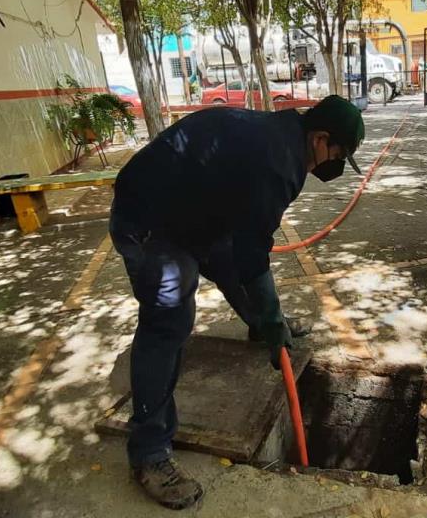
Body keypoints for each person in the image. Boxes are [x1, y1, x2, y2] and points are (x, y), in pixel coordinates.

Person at [109, 95, 365, 509]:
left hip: (194, 213)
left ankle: (263, 326)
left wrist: (270, 319)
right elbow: (253, 256)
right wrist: (273, 315)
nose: (335, 164)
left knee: (227, 262)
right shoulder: (277, 163)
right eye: (338, 153)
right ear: (320, 138)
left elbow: (244, 243)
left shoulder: (286, 139)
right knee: (169, 320)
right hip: (149, 218)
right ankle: (150, 454)